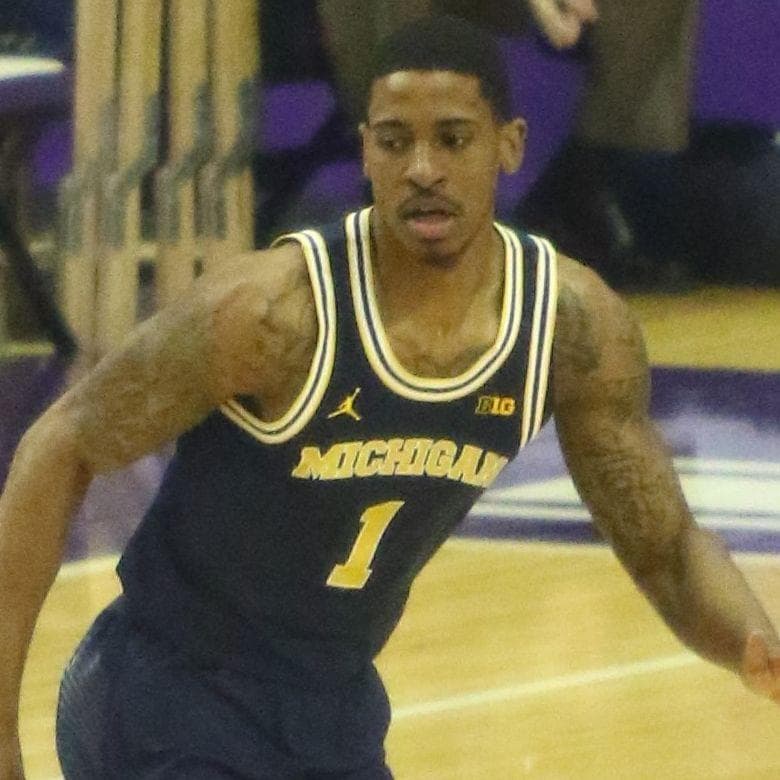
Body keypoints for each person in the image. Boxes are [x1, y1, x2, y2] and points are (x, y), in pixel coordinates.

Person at [1, 15, 779, 779]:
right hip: (166, 690)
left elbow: (666, 549)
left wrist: (752, 640)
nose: (423, 170)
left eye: (453, 139)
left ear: (509, 145)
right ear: (366, 151)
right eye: (395, 141)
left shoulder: (569, 329)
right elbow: (60, 444)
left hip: (334, 705)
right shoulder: (273, 314)